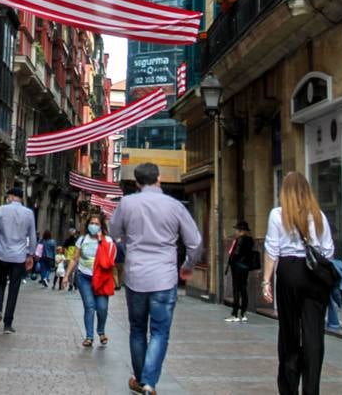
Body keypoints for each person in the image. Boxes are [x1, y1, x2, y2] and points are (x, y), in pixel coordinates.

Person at [110, 162, 202, 395]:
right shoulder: (174, 206)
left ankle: (141, 380)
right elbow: (195, 242)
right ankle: (149, 381)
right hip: (164, 277)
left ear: (137, 182)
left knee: (138, 329)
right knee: (160, 331)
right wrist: (188, 265)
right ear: (159, 178)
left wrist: (129, 241)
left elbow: (113, 233)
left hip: (136, 277)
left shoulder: (127, 203)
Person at [261, 171, 336, 395]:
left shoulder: (277, 215)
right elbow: (328, 251)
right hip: (314, 276)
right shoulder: (319, 215)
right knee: (314, 334)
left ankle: (289, 387)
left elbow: (272, 250)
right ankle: (311, 389)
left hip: (288, 272)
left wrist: (266, 281)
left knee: (289, 332)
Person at [0, 185, 36, 334]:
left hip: (2, 254)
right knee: (14, 289)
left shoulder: (2, 209)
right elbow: (32, 236)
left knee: (0, 284)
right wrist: (30, 254)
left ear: (12, 197)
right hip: (19, 257)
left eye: (8, 196)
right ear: (20, 198)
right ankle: (8, 324)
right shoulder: (29, 213)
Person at [66, 211, 117, 348]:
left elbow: (111, 260)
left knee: (102, 308)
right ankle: (89, 336)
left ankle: (101, 331)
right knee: (89, 306)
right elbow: (75, 258)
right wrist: (66, 275)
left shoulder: (108, 241)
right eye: (91, 223)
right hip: (84, 277)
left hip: (101, 279)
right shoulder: (82, 239)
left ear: (101, 226)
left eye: (96, 224)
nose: (93, 226)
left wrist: (101, 241)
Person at [224, 219, 258, 322]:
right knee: (243, 289)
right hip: (245, 268)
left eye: (237, 230)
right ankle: (243, 313)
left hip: (237, 268)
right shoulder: (250, 240)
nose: (235, 232)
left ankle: (234, 314)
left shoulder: (239, 240)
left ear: (241, 231)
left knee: (236, 290)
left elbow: (236, 254)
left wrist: (232, 262)